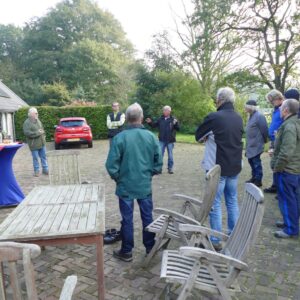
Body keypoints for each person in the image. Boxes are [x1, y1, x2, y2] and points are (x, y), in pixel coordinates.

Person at [105, 103, 163, 262]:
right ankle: (150, 248)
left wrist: (119, 178)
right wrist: (149, 174)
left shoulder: (119, 137)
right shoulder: (150, 136)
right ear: (141, 118)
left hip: (125, 187)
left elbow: (111, 165)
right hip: (144, 185)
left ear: (127, 119)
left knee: (127, 219)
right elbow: (158, 163)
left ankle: (127, 251)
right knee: (147, 217)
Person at [195, 87, 243, 250]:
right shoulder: (238, 117)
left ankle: (215, 239)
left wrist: (208, 136)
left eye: (216, 99)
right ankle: (234, 234)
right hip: (234, 166)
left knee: (214, 203)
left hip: (218, 167)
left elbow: (198, 136)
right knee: (232, 200)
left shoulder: (214, 117)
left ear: (220, 100)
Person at [271, 99, 300, 238]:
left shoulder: (289, 126)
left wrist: (277, 168)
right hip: (294, 169)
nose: (280, 110)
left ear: (286, 110)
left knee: (287, 199)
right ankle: (290, 222)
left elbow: (287, 151)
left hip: (286, 170)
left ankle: (290, 228)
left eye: (282, 108)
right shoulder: (295, 123)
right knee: (293, 198)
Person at [145, 106, 179, 174]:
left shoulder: (174, 119)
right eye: (163, 110)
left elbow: (178, 129)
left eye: (166, 110)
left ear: (169, 111)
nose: (164, 111)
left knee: (170, 155)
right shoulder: (160, 119)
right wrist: (150, 122)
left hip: (170, 140)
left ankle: (170, 168)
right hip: (161, 140)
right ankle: (159, 168)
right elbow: (154, 125)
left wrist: (176, 124)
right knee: (160, 155)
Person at [264, 90, 284, 194]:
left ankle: (279, 188)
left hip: (280, 141)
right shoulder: (276, 109)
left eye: (272, 101)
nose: (271, 103)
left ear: (277, 98)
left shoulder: (283, 108)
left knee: (278, 164)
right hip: (274, 140)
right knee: (274, 163)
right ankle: (275, 185)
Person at [244, 100, 268, 187]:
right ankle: (254, 177)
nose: (245, 108)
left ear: (250, 107)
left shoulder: (259, 116)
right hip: (250, 144)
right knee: (251, 161)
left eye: (246, 107)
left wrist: (264, 141)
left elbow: (264, 130)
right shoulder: (250, 116)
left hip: (256, 144)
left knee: (256, 162)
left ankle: (258, 180)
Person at [23, 107, 48, 177]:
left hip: (42, 143)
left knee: (44, 157)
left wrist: (44, 135)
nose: (37, 114)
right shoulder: (26, 123)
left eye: (37, 113)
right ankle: (36, 171)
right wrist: (38, 133)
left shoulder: (38, 120)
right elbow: (27, 133)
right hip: (34, 145)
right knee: (35, 158)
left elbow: (42, 129)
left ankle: (45, 170)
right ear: (31, 114)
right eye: (36, 113)